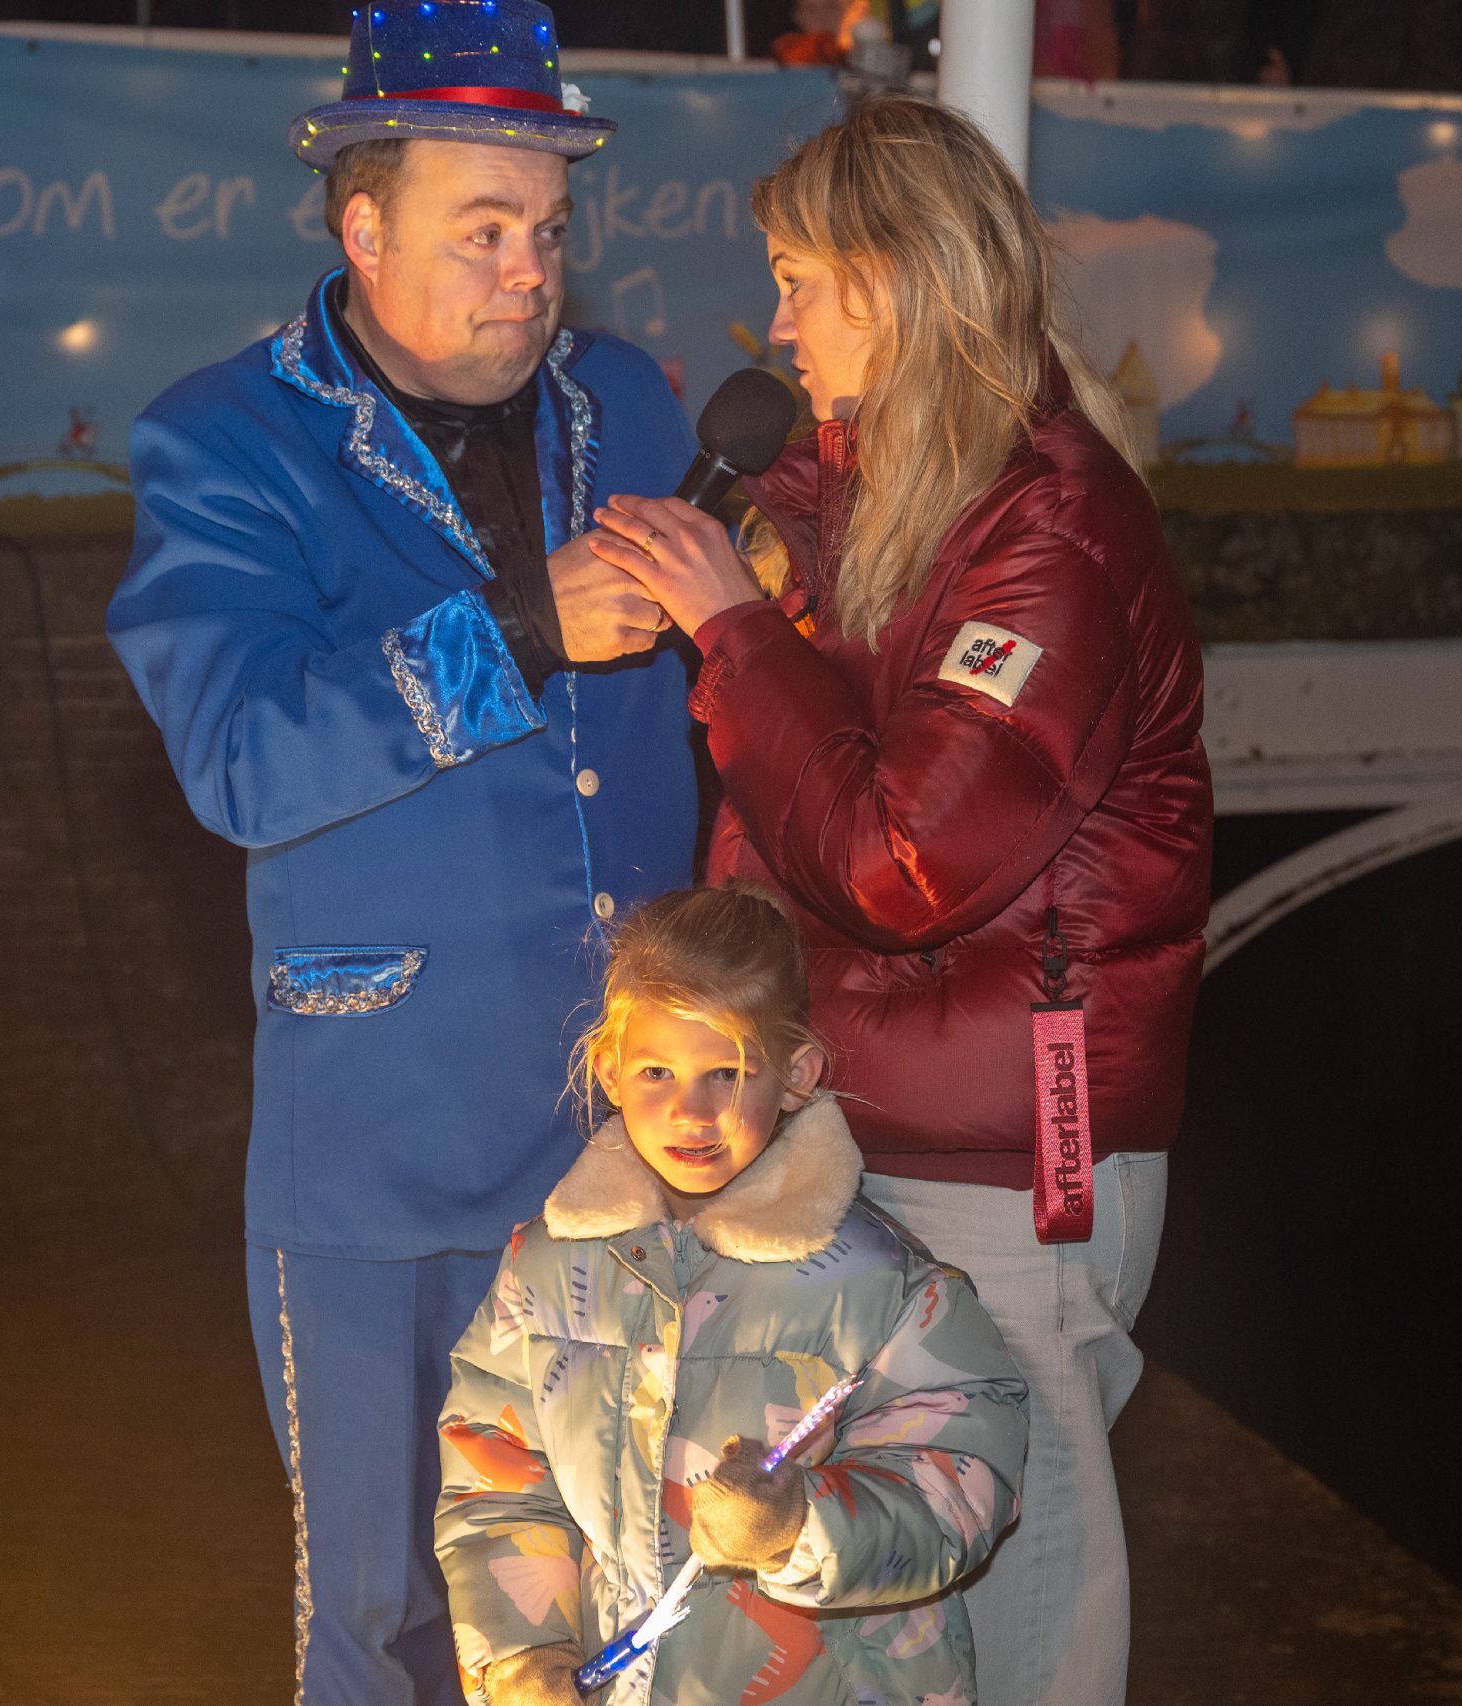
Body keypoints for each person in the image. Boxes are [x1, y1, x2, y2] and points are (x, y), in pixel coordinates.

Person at [104, 3, 698, 1698]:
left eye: (553, 231)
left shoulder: (634, 403)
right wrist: (514, 628)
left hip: (647, 1132)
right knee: (384, 1618)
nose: (531, 274)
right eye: (483, 231)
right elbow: (239, 756)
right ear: (361, 229)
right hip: (384, 1145)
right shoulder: (224, 440)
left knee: (627, 1600)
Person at [587, 96, 1211, 1706]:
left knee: (1020, 1578)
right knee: (881, 1598)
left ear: (900, 279)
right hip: (877, 1120)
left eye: (800, 281)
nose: (777, 322)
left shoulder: (1051, 532)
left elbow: (903, 864)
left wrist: (737, 634)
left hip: (1005, 1153)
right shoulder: (878, 495)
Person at [434, 884, 1028, 1706]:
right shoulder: (542, 1273)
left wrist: (797, 1525)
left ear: (796, 1076)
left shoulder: (880, 1287)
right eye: (657, 1072)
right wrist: (524, 1651)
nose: (692, 1110)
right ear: (609, 1071)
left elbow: (965, 1474)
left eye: (728, 1073)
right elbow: (496, 1480)